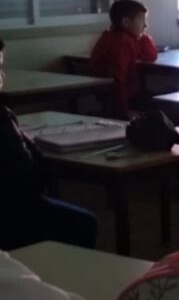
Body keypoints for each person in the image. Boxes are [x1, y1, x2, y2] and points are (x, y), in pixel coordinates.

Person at [0, 38, 99, 251]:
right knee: (84, 224)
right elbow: (27, 179)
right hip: (10, 211)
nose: (2, 77)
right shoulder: (1, 117)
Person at [89, 0, 159, 118]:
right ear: (126, 22)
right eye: (142, 20)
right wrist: (122, 112)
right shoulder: (122, 42)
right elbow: (117, 78)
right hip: (119, 99)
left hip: (108, 96)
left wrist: (142, 36)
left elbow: (150, 55)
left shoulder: (111, 36)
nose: (146, 25)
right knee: (159, 99)